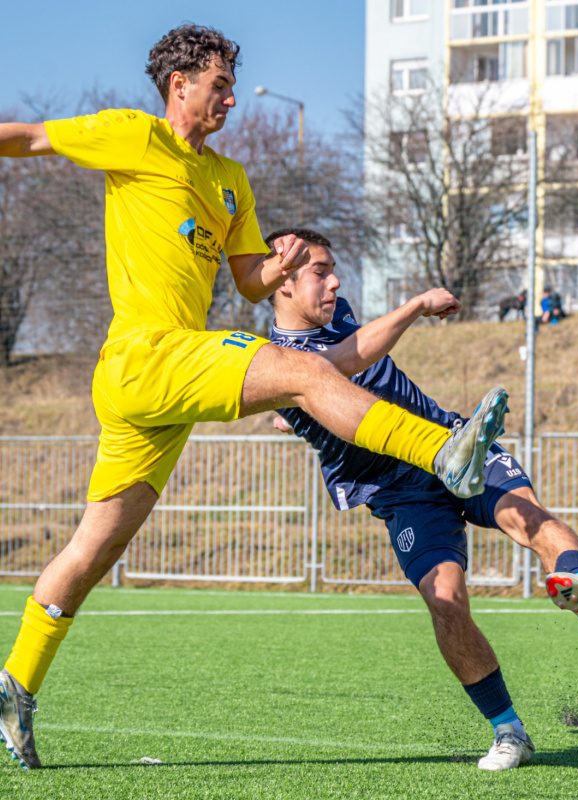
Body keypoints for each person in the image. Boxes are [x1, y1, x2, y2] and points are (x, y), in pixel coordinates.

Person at [0, 25, 510, 770]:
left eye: (233, 86)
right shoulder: (131, 136)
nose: (231, 99)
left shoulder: (230, 179)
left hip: (164, 381)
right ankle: (442, 451)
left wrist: (278, 271)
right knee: (308, 376)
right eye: (218, 86)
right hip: (146, 353)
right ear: (179, 84)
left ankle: (16, 685)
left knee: (97, 545)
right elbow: (29, 138)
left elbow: (243, 279)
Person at [265, 227, 578, 772]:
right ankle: (509, 731)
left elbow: (348, 350)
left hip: (453, 444)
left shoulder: (332, 313)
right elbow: (339, 363)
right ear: (282, 282)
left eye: (333, 269)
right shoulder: (272, 364)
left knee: (527, 517)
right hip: (399, 492)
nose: (335, 281)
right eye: (320, 272)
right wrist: (416, 304)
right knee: (446, 601)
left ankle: (577, 582)